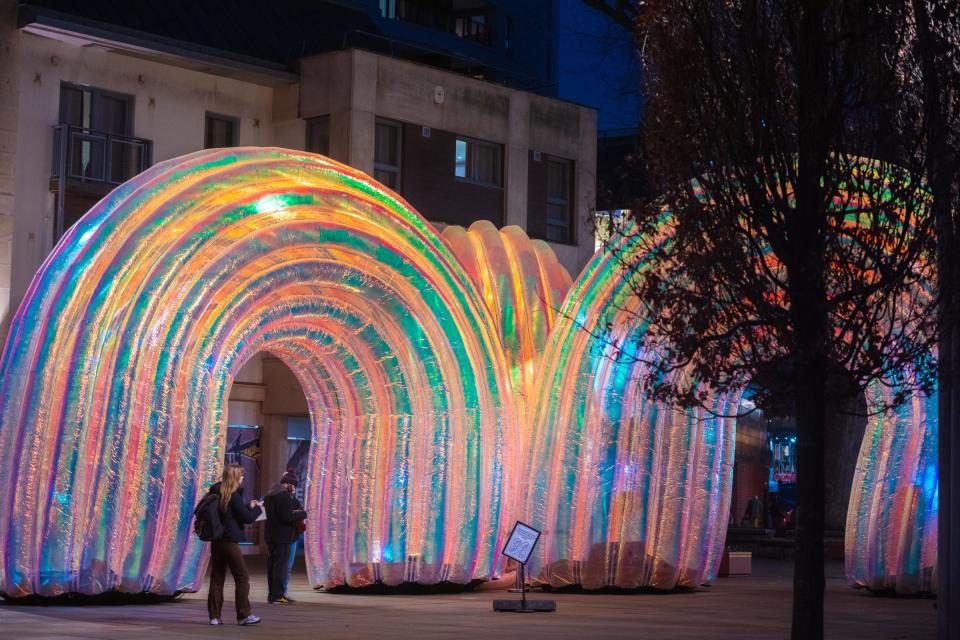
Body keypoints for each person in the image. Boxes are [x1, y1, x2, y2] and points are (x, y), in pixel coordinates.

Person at [206, 463, 263, 626]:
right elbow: (247, 518)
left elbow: (229, 514)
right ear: (235, 477)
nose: (243, 478)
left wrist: (247, 507)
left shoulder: (216, 491)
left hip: (217, 541)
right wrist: (257, 508)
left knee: (217, 577)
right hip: (230, 542)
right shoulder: (234, 495)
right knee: (242, 577)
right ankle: (243, 615)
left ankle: (214, 617)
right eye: (241, 475)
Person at [264, 469, 307, 604]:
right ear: (288, 484)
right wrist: (303, 514)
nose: (294, 488)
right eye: (293, 485)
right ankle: (278, 596)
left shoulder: (270, 495)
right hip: (283, 537)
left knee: (273, 566)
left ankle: (273, 595)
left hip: (271, 535)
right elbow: (287, 517)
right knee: (281, 567)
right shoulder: (283, 496)